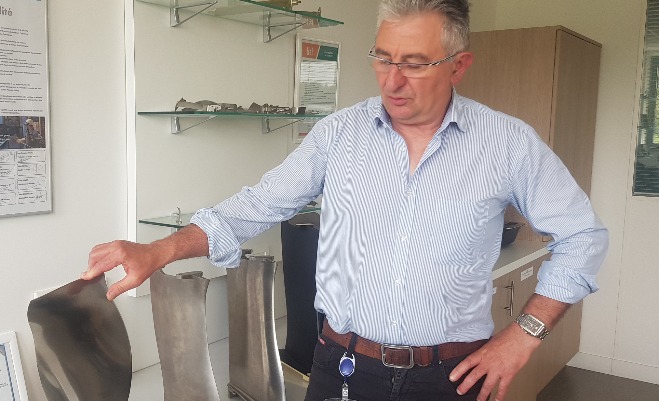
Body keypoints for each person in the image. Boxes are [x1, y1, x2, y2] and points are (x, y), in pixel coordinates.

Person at [83, 0, 608, 400]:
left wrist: (524, 335)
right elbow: (258, 204)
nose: (392, 81)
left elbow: (582, 237)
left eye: (415, 63)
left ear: (458, 65)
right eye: (383, 58)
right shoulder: (339, 135)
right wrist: (160, 250)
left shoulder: (508, 144)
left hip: (450, 376)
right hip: (343, 368)